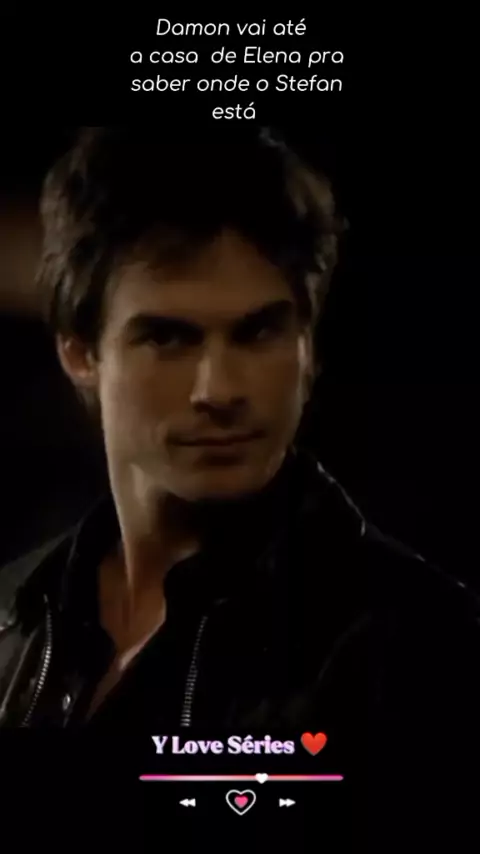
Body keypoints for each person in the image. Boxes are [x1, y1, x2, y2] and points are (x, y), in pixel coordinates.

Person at [0, 126, 478, 847]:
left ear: (310, 348)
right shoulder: (13, 613)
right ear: (80, 352)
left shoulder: (419, 645)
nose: (218, 390)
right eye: (168, 337)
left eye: (258, 333)